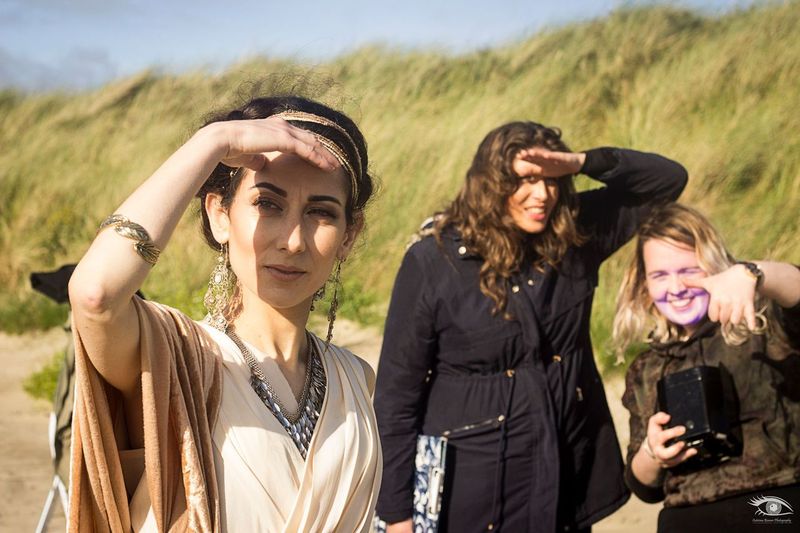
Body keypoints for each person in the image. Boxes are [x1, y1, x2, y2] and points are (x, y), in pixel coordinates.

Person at [67, 95, 382, 532]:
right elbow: (95, 295)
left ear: (349, 235)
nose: (293, 240)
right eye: (267, 204)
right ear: (219, 214)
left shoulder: (356, 380)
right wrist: (214, 141)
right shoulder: (177, 360)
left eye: (321, 213)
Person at [373, 121, 688, 532]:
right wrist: (397, 515)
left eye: (552, 180)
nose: (542, 194)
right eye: (525, 180)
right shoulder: (433, 262)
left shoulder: (574, 236)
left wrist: (581, 162)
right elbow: (396, 398)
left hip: (564, 484)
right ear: (491, 184)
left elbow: (667, 181)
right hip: (469, 496)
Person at [614, 203, 800, 532]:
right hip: (686, 516)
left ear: (715, 266)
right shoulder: (646, 367)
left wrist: (753, 274)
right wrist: (653, 452)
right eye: (660, 275)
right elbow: (642, 486)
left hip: (772, 507)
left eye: (689, 270)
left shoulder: (765, 324)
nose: (676, 288)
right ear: (645, 285)